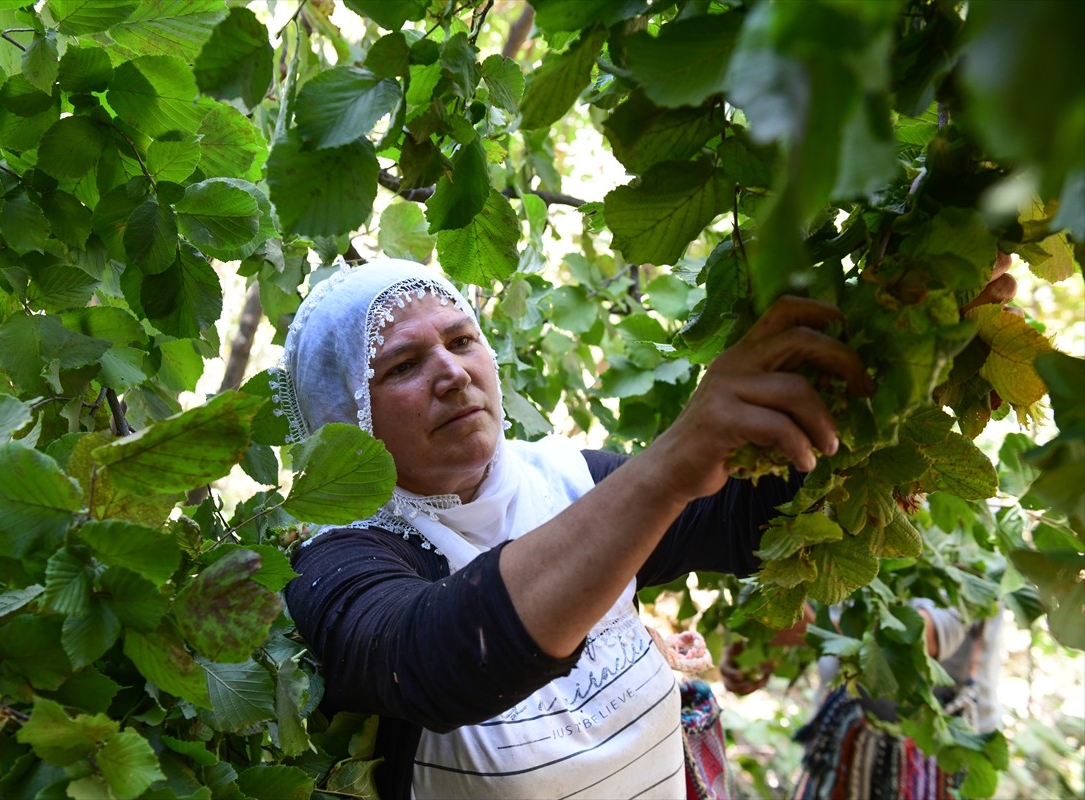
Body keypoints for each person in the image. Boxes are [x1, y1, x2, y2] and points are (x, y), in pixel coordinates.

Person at [276, 257, 873, 799]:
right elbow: (436, 659)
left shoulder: (568, 479)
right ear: (343, 414)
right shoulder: (333, 564)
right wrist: (671, 464)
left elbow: (742, 521)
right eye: (404, 365)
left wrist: (871, 347)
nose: (453, 373)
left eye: (461, 340)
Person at [720, 599, 1004, 800]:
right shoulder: (837, 536)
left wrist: (808, 631)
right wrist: (760, 650)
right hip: (839, 748)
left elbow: (924, 636)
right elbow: (816, 613)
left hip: (937, 757)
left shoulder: (970, 543)